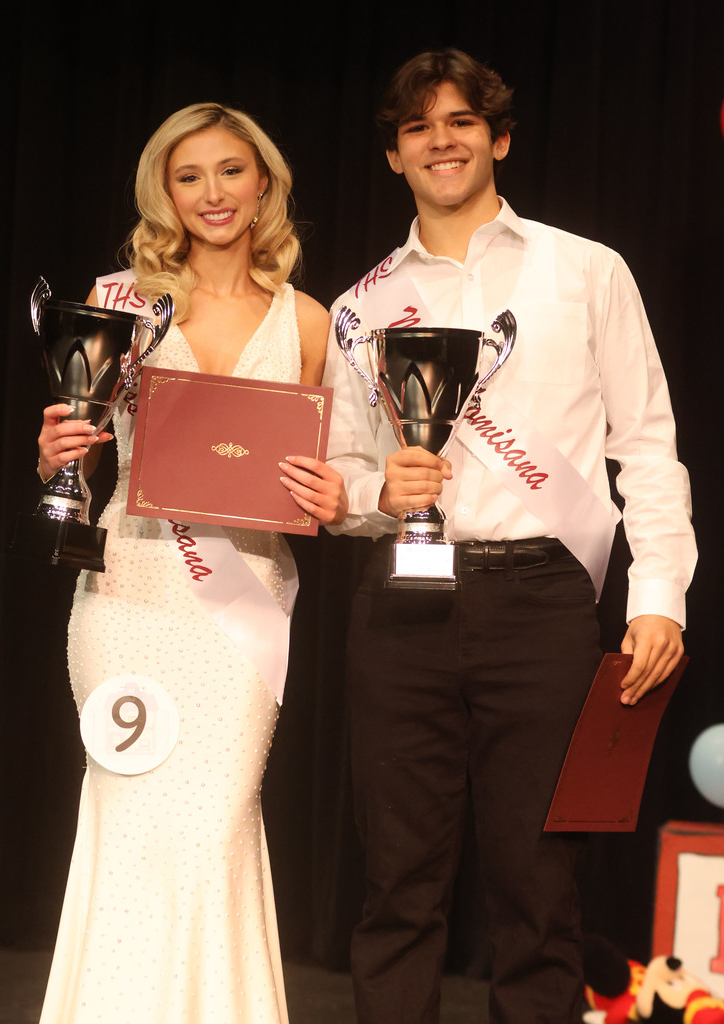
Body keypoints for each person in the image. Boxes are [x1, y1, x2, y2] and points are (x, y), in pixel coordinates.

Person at [322, 49, 697, 1024]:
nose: (439, 140)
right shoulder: (358, 307)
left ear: (497, 137)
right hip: (399, 603)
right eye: (416, 127)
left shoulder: (583, 270)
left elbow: (647, 442)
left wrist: (656, 594)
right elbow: (338, 479)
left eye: (458, 122)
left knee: (537, 892)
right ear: (394, 156)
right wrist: (377, 486)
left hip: (540, 602)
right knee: (398, 885)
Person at [36, 102, 346, 1024]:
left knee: (214, 828)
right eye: (189, 175)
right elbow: (77, 452)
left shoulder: (310, 321)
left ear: (265, 184)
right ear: (163, 192)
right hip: (129, 589)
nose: (213, 193)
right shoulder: (117, 299)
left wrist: (335, 495)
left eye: (231, 171)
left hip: (239, 609)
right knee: (129, 826)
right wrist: (55, 453)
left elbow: (339, 467)